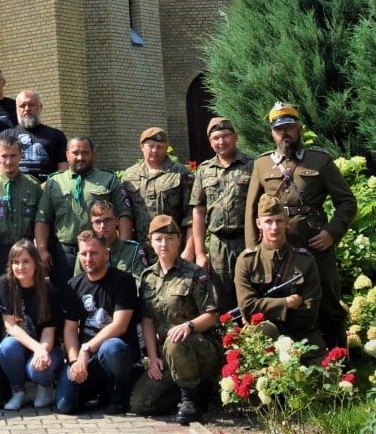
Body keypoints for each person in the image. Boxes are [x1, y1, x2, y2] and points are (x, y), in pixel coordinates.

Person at [243, 102, 355, 349]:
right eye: (278, 129)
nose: (284, 134)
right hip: (279, 249)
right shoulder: (262, 164)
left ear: (299, 129)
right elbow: (251, 209)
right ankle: (289, 361)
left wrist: (331, 233)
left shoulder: (320, 160)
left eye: (289, 128)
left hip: (315, 246)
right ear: (272, 133)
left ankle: (340, 365)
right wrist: (254, 250)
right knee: (280, 303)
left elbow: (346, 201)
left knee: (328, 305)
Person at [132, 215, 220, 425]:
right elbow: (147, 321)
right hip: (168, 353)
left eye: (170, 238)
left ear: (179, 240)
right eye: (159, 239)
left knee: (174, 342)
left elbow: (212, 315)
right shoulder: (147, 278)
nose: (164, 244)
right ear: (150, 241)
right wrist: (153, 358)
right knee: (140, 403)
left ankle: (191, 398)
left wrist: (188, 325)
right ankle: (194, 393)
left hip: (198, 348)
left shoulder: (194, 273)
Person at [56, 230, 139, 416]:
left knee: (112, 347)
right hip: (88, 359)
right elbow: (69, 329)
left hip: (115, 353)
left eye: (94, 253)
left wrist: (86, 350)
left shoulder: (123, 281)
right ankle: (100, 389)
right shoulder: (73, 285)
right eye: (83, 253)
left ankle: (119, 392)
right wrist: (74, 362)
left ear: (106, 254)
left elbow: (119, 326)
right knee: (65, 405)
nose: (88, 258)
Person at [235, 195, 326, 365]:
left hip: (302, 337)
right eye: (268, 221)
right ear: (258, 224)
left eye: (279, 221)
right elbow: (247, 307)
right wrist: (286, 304)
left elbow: (310, 312)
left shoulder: (305, 261)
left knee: (327, 381)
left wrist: (262, 312)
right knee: (265, 330)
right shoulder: (247, 261)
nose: (274, 227)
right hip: (262, 337)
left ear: (287, 222)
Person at [37, 136, 128, 288]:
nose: (80, 157)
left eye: (85, 153)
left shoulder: (109, 179)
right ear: (67, 155)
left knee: (99, 296)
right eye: (75, 153)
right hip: (64, 254)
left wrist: (123, 248)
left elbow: (124, 214)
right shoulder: (54, 182)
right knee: (63, 298)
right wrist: (42, 249)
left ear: (93, 154)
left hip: (98, 252)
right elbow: (42, 217)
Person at [191, 117, 254, 312]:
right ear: (210, 142)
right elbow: (199, 211)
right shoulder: (204, 170)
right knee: (221, 301)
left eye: (226, 136)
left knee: (251, 295)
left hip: (247, 241)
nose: (221, 142)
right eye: (216, 138)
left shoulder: (252, 165)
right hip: (219, 246)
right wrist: (200, 252)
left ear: (235, 137)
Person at [0, 239, 64, 410]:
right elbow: (11, 326)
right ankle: (19, 391)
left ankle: (45, 387)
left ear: (36, 263)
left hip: (48, 348)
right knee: (6, 347)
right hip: (21, 346)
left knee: (36, 369)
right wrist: (37, 348)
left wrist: (41, 351)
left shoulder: (50, 291)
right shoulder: (5, 284)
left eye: (26, 261)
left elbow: (49, 332)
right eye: (16, 262)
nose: (20, 267)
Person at [121, 127, 195, 262]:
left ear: (166, 147)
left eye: (160, 147)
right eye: (151, 146)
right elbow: (124, 215)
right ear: (142, 146)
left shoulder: (181, 173)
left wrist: (189, 249)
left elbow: (191, 216)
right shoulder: (129, 176)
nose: (155, 150)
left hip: (173, 250)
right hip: (140, 252)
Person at [0, 136, 41, 279]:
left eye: (13, 156)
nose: (8, 161)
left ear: (21, 155)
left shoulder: (33, 185)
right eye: (4, 156)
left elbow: (39, 223)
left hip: (25, 248)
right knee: (1, 295)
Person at [0, 90, 68, 183]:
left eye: (31, 105)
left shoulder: (56, 135)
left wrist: (44, 188)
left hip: (47, 193)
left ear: (40, 107)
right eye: (22, 106)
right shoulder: (5, 135)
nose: (27, 109)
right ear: (16, 109)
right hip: (15, 191)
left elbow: (63, 168)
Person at [73, 200, 148, 282]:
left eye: (107, 220)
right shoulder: (85, 255)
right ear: (92, 225)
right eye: (97, 222)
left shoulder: (133, 251)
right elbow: (79, 284)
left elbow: (140, 284)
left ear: (116, 221)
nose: (102, 226)